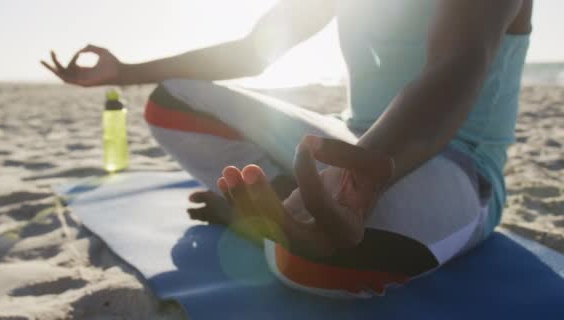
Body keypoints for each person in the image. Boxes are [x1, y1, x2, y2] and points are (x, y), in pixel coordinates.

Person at [42, 0, 533, 298]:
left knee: (323, 260)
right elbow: (254, 51)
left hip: (454, 160)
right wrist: (123, 72)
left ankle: (280, 212)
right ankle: (279, 203)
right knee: (172, 100)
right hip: (345, 138)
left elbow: (455, 62)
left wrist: (365, 178)